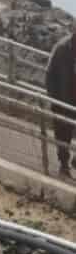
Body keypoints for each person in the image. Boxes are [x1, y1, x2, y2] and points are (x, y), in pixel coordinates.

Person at [45, 30, 76, 180]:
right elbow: (49, 74)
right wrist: (54, 99)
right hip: (62, 101)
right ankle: (63, 166)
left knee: (69, 133)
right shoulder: (62, 48)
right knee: (63, 135)